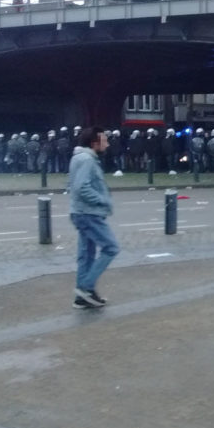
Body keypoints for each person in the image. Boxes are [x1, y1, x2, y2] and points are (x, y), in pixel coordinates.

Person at [68, 126, 118, 310]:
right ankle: (86, 288)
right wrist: (103, 200)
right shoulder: (87, 160)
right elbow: (82, 187)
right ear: (94, 142)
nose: (107, 143)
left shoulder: (79, 158)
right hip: (89, 213)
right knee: (111, 248)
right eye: (104, 140)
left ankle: (82, 298)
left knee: (86, 254)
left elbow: (71, 184)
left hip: (81, 212)